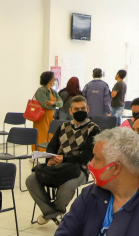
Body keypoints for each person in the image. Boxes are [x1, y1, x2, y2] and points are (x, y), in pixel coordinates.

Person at [26, 96, 100, 225]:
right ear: (70, 111)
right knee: (31, 179)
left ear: (87, 109)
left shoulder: (94, 129)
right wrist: (50, 159)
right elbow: (52, 147)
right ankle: (52, 213)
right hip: (57, 167)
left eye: (83, 108)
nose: (80, 111)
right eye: (76, 109)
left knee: (67, 187)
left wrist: (64, 158)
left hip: (79, 169)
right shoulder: (63, 126)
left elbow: (86, 155)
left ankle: (50, 212)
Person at [33, 71, 62, 147]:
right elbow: (45, 105)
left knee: (50, 134)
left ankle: (48, 151)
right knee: (41, 134)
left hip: (50, 116)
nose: (54, 80)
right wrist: (56, 103)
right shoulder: (41, 90)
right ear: (49, 80)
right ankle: (38, 152)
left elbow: (61, 103)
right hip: (41, 116)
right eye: (53, 78)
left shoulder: (53, 91)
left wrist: (53, 103)